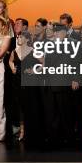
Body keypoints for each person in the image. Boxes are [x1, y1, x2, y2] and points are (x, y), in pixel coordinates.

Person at [20, 18, 47, 148]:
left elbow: (44, 63)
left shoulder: (34, 50)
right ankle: (29, 134)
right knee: (27, 108)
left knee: (35, 108)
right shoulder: (23, 50)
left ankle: (37, 134)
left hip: (34, 82)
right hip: (25, 83)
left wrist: (35, 70)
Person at [7, 18, 28, 141]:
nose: (15, 26)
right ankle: (19, 130)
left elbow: (41, 61)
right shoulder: (14, 48)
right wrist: (13, 68)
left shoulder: (31, 48)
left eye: (18, 24)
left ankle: (25, 130)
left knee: (26, 106)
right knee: (17, 105)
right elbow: (10, 60)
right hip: (15, 80)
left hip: (27, 81)